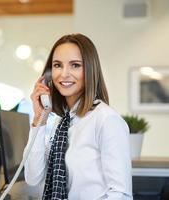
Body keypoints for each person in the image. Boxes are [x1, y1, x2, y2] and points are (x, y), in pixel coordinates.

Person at [24, 33, 132, 199]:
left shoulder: (106, 120)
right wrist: (40, 118)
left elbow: (121, 194)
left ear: (89, 69)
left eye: (75, 65)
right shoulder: (61, 123)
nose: (64, 74)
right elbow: (33, 177)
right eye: (57, 65)